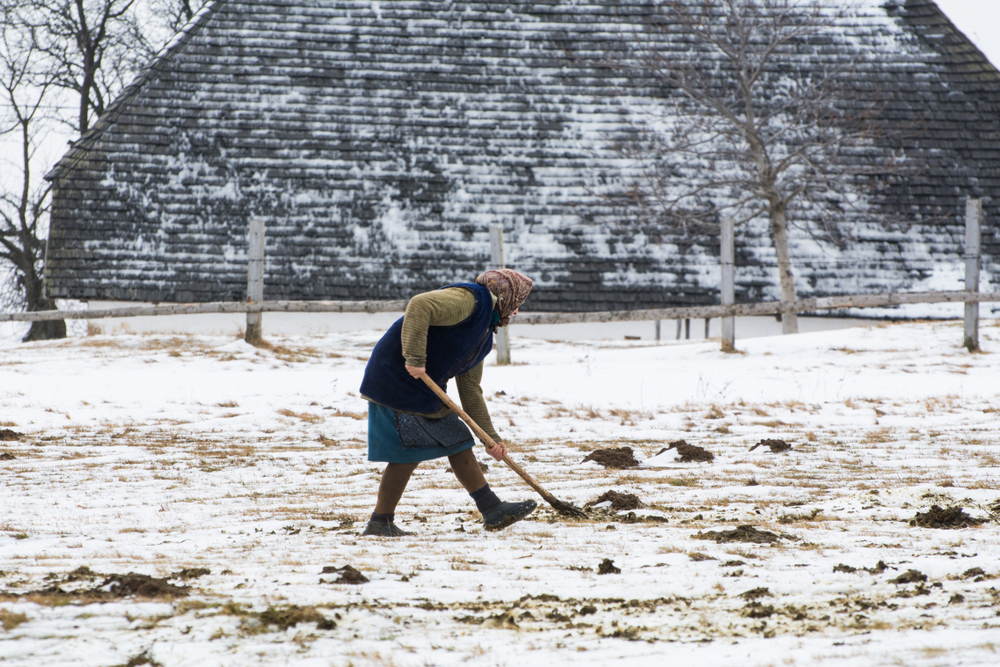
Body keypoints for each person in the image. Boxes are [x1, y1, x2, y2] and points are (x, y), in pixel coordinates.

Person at [358, 269, 537, 537]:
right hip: (395, 378)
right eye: (517, 303)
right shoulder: (470, 301)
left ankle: (491, 510)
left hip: (421, 387)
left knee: (458, 439)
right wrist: (415, 357)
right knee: (408, 451)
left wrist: (491, 439)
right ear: (505, 296)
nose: (517, 311)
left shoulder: (483, 335)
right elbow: (420, 304)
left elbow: (471, 391)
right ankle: (380, 521)